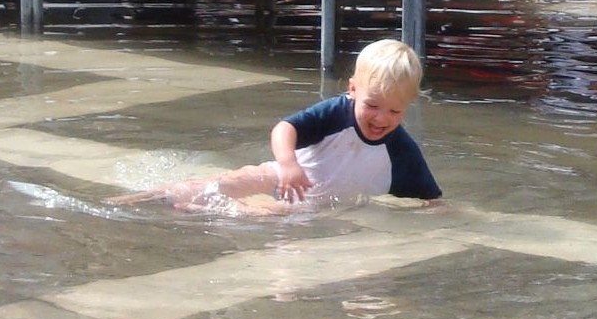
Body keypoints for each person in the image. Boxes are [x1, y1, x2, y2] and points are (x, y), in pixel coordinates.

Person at [112, 39, 440, 212]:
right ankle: (143, 200)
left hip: (313, 206)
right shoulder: (335, 113)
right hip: (279, 178)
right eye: (372, 105)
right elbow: (285, 129)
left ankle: (204, 211)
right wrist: (288, 165)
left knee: (270, 218)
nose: (382, 118)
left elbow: (431, 198)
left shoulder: (401, 152)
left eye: (395, 111)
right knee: (225, 183)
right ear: (352, 89)